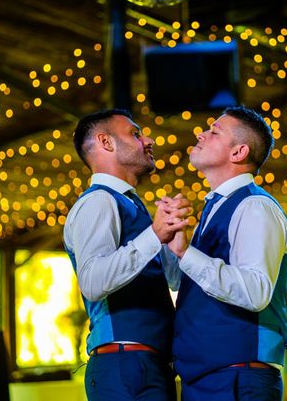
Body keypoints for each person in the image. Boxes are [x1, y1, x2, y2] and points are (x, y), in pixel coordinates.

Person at [168, 106, 287, 401]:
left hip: (237, 378)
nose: (201, 134)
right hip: (209, 376)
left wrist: (186, 252)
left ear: (239, 152)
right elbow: (185, 283)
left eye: (214, 131)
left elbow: (255, 291)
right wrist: (167, 241)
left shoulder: (255, 207)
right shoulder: (214, 208)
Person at [63, 108, 190, 401]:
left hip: (148, 363)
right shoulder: (98, 202)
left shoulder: (133, 206)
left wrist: (176, 245)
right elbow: (93, 282)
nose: (148, 141)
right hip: (125, 363)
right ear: (106, 143)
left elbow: (174, 282)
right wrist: (154, 236)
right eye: (135, 133)